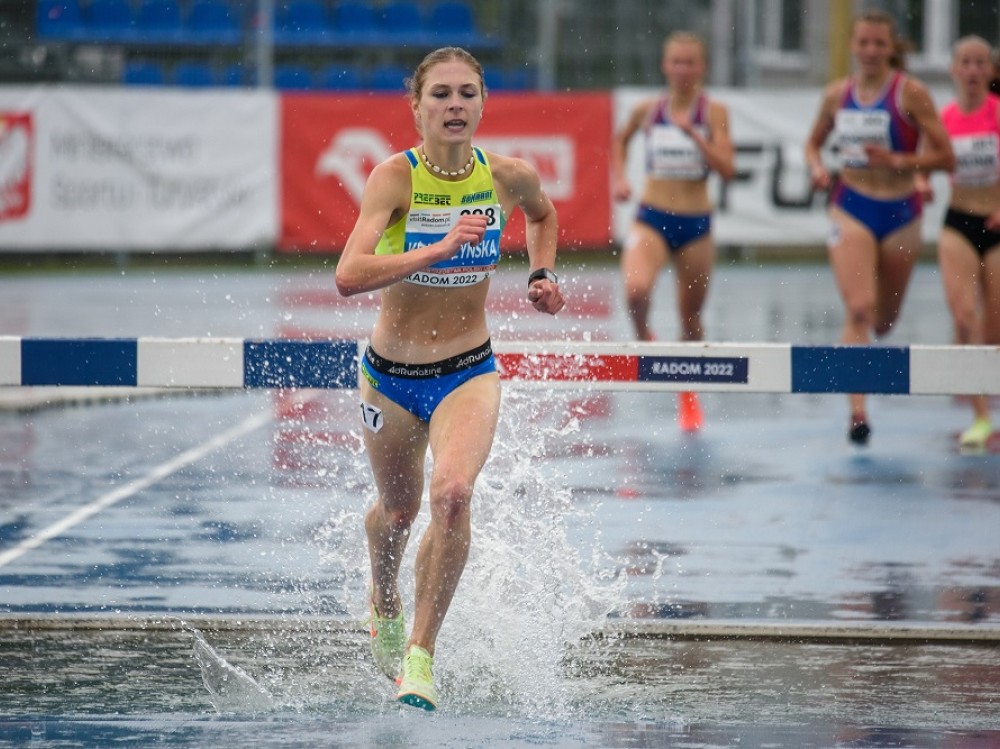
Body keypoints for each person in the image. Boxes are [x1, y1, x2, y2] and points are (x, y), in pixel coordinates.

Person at [334, 47, 564, 711]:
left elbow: (543, 217)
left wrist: (542, 274)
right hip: (391, 377)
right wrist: (435, 249)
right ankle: (383, 598)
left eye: (467, 93)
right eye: (440, 95)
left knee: (454, 494)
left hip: (468, 367)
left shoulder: (509, 177)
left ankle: (420, 658)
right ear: (417, 109)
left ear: (484, 103)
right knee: (399, 512)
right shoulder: (394, 179)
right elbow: (348, 275)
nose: (455, 105)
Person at [804, 10, 954, 446]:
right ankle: (857, 413)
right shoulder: (837, 95)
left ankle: (864, 379)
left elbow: (946, 158)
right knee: (859, 310)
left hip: (901, 212)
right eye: (864, 43)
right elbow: (812, 143)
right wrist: (816, 167)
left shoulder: (911, 94)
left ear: (891, 48)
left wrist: (902, 162)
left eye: (879, 44)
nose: (870, 51)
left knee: (885, 323)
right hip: (850, 206)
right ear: (853, 46)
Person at [610, 31, 735, 433]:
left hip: (696, 225)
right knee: (635, 291)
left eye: (690, 63)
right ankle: (643, 334)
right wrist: (620, 180)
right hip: (652, 216)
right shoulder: (648, 110)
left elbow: (728, 168)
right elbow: (620, 139)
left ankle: (688, 395)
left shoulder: (713, 112)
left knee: (691, 318)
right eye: (676, 62)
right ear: (666, 66)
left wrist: (695, 136)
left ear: (702, 68)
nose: (682, 70)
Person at [934, 36, 1000, 448]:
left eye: (981, 63)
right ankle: (981, 417)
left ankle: (984, 388)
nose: (973, 70)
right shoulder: (944, 119)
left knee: (994, 325)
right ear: (954, 71)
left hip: (996, 225)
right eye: (966, 63)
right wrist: (921, 182)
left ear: (990, 72)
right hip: (958, 222)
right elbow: (927, 163)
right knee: (962, 316)